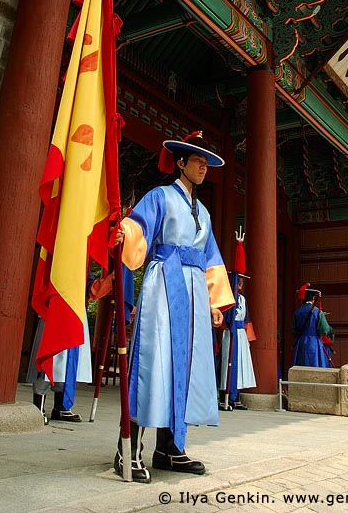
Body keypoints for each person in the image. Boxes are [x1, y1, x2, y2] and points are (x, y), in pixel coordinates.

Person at [113, 131, 234, 483]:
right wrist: (124, 231)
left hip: (195, 290)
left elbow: (211, 257)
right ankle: (128, 447)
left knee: (184, 365)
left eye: (205, 163)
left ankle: (169, 448)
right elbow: (138, 228)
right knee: (154, 360)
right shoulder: (160, 196)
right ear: (180, 162)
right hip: (165, 282)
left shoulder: (204, 213)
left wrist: (215, 303)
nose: (203, 167)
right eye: (196, 161)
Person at [219, 274, 256, 409]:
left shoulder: (242, 299)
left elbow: (246, 320)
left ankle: (236, 396)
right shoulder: (227, 299)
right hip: (230, 333)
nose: (241, 286)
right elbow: (223, 319)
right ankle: (225, 395)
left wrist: (248, 338)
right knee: (227, 365)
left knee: (240, 365)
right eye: (239, 283)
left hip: (241, 335)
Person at [291, 285, 334, 367]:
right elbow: (324, 329)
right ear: (313, 298)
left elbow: (294, 330)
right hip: (314, 342)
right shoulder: (318, 311)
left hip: (301, 343)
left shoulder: (297, 312)